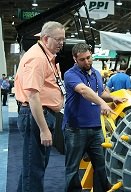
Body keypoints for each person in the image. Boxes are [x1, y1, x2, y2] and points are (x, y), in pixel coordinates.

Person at [62, 43, 126, 192]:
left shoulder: (96, 73)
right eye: (82, 59)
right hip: (75, 129)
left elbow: (99, 93)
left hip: (96, 128)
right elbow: (84, 91)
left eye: (88, 58)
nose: (86, 62)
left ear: (91, 54)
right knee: (72, 168)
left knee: (102, 166)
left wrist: (111, 98)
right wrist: (103, 103)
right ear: (75, 59)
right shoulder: (70, 74)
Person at [14, 21, 65, 192]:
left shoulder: (44, 55)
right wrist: (44, 129)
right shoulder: (37, 58)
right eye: (58, 39)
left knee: (32, 167)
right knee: (34, 170)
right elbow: (33, 96)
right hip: (36, 116)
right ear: (45, 38)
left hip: (39, 115)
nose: (61, 43)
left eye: (63, 40)